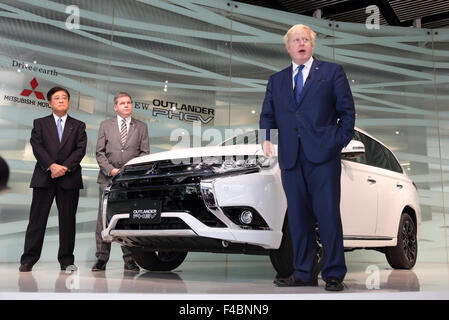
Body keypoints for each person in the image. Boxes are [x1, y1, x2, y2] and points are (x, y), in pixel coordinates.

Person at [259, 24, 355, 291]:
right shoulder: (276, 80)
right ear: (288, 47)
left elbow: (347, 113)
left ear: (312, 45)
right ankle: (304, 273)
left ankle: (334, 273)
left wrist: (337, 142)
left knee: (327, 216)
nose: (301, 43)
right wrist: (265, 137)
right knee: (298, 218)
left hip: (323, 157)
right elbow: (267, 113)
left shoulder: (332, 72)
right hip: (291, 157)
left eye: (306, 39)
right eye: (295, 40)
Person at [19, 86, 87, 272]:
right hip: (44, 176)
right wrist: (51, 166)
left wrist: (64, 167)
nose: (61, 100)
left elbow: (80, 150)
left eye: (64, 97)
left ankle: (66, 261)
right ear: (49, 103)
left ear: (68, 102)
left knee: (67, 222)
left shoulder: (78, 125)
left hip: (69, 177)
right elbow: (37, 146)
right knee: (37, 220)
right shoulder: (40, 123)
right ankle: (28, 259)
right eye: (56, 98)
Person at [92, 92, 150, 272]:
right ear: (115, 107)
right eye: (122, 103)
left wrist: (129, 170)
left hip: (130, 180)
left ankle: (130, 260)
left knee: (129, 219)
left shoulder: (141, 126)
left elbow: (145, 153)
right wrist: (111, 170)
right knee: (103, 219)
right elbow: (99, 152)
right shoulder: (105, 125)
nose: (126, 105)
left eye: (129, 103)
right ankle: (101, 259)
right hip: (108, 178)